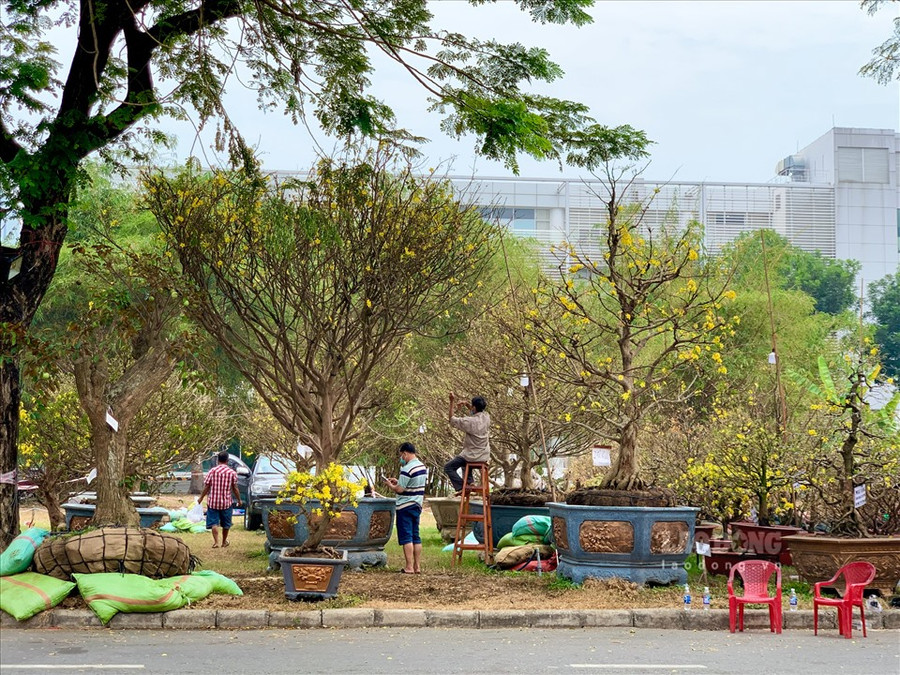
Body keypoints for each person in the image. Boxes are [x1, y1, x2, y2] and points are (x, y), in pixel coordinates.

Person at [385, 442, 427, 574]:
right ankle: (417, 566)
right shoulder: (422, 467)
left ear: (405, 453)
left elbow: (400, 489)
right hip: (417, 504)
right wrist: (398, 482)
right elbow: (412, 485)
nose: (401, 458)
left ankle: (409, 566)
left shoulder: (407, 468)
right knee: (416, 536)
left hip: (405, 506)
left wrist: (391, 486)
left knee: (406, 536)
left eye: (401, 455)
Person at [444, 392, 491, 494]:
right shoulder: (487, 417)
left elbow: (451, 420)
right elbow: (476, 411)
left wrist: (451, 401)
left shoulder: (469, 422)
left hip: (472, 456)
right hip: (484, 455)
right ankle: (470, 482)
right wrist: (467, 404)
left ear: (474, 407)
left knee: (448, 467)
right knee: (464, 460)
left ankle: (462, 487)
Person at [198, 451, 242, 548]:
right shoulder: (232, 473)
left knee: (214, 523)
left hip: (213, 502)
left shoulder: (212, 471)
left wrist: (201, 498)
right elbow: (235, 488)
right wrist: (239, 500)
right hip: (226, 502)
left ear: (218, 460)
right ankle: (224, 541)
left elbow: (207, 486)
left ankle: (216, 542)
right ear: (227, 460)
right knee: (226, 523)